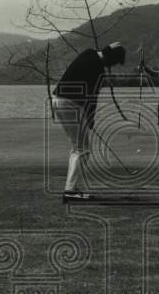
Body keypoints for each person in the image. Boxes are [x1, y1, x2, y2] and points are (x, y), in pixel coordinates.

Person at [52, 42, 127, 202]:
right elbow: (92, 99)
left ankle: (72, 188)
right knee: (82, 149)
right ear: (110, 58)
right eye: (113, 62)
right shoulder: (98, 71)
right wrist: (91, 119)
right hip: (69, 104)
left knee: (78, 148)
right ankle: (70, 191)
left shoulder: (88, 52)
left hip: (58, 100)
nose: (112, 66)